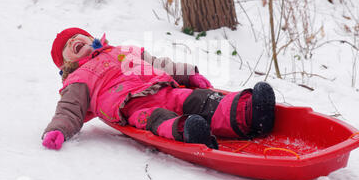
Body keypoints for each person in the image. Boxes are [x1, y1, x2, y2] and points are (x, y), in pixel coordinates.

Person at [42, 27, 276, 150]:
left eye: (79, 35)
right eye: (69, 45)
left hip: (166, 90)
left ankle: (250, 113)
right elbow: (69, 109)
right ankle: (190, 132)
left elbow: (159, 64)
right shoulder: (78, 78)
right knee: (159, 120)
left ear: (92, 37)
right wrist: (58, 130)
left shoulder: (122, 51)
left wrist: (188, 73)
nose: (74, 40)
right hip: (135, 107)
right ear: (67, 64)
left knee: (201, 98)